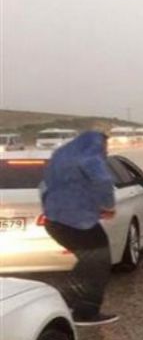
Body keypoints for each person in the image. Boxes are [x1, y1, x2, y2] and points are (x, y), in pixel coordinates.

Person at [41, 131, 118, 326]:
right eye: (105, 146)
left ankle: (67, 300)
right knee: (98, 262)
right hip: (78, 222)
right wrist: (107, 205)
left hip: (55, 221)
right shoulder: (90, 156)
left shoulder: (60, 157)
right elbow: (103, 180)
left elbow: (45, 186)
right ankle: (86, 312)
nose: (106, 151)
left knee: (87, 262)